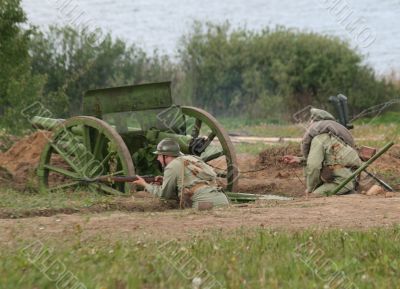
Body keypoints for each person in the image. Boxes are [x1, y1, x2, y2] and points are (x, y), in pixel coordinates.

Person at [283, 108, 363, 196]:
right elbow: (332, 159)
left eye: (311, 120)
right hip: (351, 179)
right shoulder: (333, 138)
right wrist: (299, 159)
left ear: (314, 122)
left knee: (313, 197)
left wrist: (310, 190)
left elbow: (314, 166)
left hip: (342, 183)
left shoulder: (319, 139)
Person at [132, 138, 230, 209]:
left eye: (159, 155)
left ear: (166, 156)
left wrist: (144, 184)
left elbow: (163, 195)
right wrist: (164, 180)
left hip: (205, 203)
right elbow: (192, 181)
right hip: (222, 199)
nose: (157, 158)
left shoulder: (172, 166)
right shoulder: (191, 158)